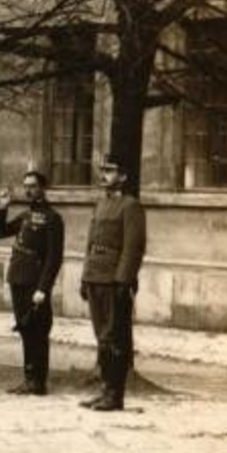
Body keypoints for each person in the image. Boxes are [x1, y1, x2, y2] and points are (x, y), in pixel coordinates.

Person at [79, 156, 146, 412]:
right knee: (102, 337)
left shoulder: (130, 206)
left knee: (115, 338)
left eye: (110, 170)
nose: (104, 174)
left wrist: (123, 281)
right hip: (96, 276)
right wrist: (86, 276)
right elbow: (90, 243)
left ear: (124, 177)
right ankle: (105, 389)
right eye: (103, 169)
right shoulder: (100, 204)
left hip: (113, 280)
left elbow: (133, 247)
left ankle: (115, 395)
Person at [0, 170, 64, 395]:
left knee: (38, 331)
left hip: (35, 282)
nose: (28, 190)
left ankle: (38, 382)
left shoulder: (52, 218)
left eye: (32, 186)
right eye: (26, 186)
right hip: (18, 278)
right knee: (25, 329)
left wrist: (43, 288)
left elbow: (54, 257)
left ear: (43, 188)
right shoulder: (24, 215)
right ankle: (29, 378)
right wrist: (1, 208)